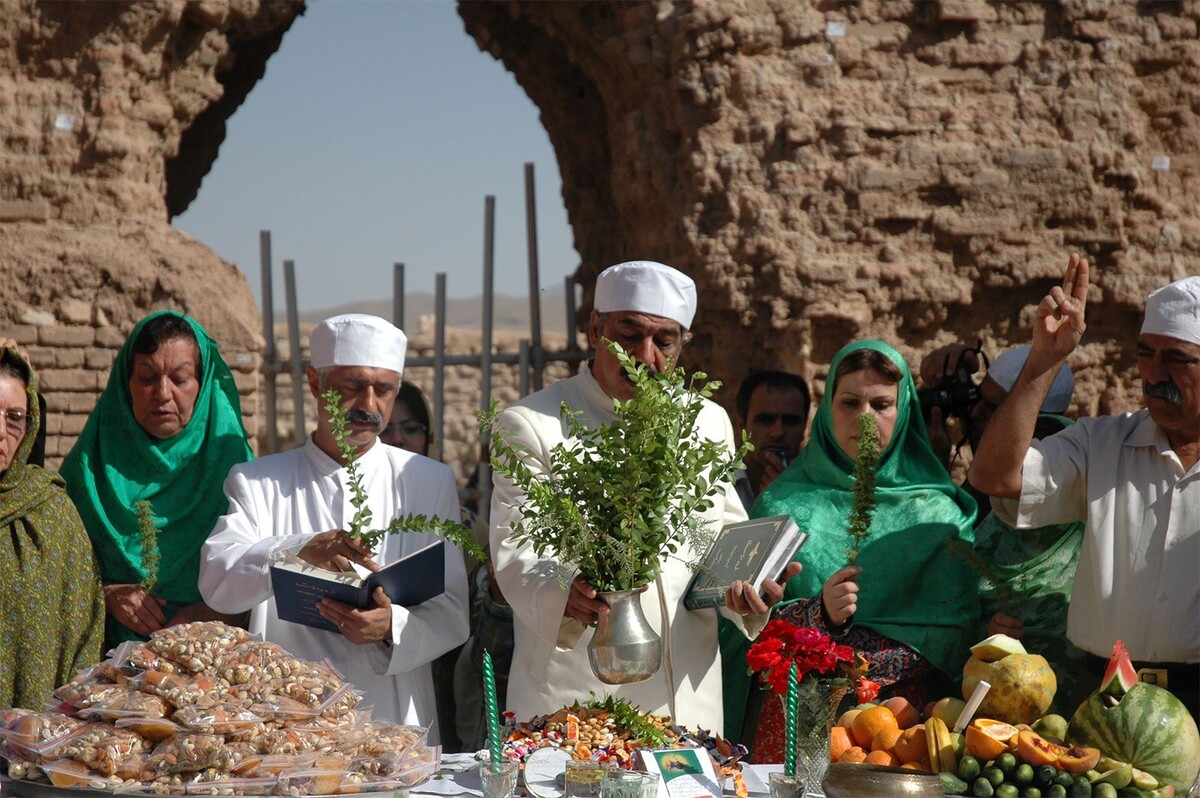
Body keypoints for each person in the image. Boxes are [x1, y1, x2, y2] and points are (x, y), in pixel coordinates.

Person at [490, 260, 791, 731]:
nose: (645, 356)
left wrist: (750, 585)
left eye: (664, 340)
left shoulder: (707, 422)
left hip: (686, 700)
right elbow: (517, 548)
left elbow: (719, 534)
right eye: (629, 336)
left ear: (681, 345)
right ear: (595, 329)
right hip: (578, 698)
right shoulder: (532, 424)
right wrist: (562, 589)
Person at [199, 313, 470, 739]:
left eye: (383, 390)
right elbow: (217, 581)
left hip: (395, 715)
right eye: (351, 386)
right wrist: (297, 549)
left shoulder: (428, 480)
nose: (368, 404)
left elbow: (453, 613)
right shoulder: (257, 481)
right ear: (315, 383)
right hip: (289, 720)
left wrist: (390, 627)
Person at [970, 260, 1199, 720]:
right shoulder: (1101, 445)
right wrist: (1043, 361)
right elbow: (996, 477)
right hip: (1101, 697)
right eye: (1145, 354)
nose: (1154, 372)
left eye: (1175, 358)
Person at [731, 339, 979, 761]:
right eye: (850, 403)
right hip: (797, 720)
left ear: (904, 414)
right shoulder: (782, 506)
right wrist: (818, 615)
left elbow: (961, 633)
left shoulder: (939, 515)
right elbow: (743, 627)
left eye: (881, 405)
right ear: (827, 409)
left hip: (903, 730)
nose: (865, 420)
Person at [60, 311, 254, 648]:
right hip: (105, 667)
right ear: (125, 383)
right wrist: (104, 593)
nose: (162, 393)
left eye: (180, 380)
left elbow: (263, 575)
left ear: (203, 383)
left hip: (215, 663)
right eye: (147, 378)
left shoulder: (238, 474)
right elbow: (55, 570)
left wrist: (219, 612)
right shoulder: (87, 471)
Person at [925, 343, 1088, 713]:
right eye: (977, 399)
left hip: (1063, 689)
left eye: (993, 406)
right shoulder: (989, 470)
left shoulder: (1062, 464)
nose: (977, 413)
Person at [0, 344, 105, 708]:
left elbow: (85, 627)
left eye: (14, 417)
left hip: (31, 743)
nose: (1, 431)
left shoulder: (51, 510)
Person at [731, 370, 811, 512]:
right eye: (765, 421)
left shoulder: (816, 492)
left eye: (790, 421)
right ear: (741, 425)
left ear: (804, 427)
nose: (778, 432)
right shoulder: (718, 485)